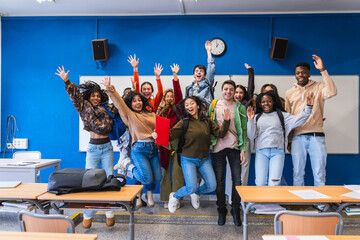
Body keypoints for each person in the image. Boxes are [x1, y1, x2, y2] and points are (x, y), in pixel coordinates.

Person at [55, 66, 116, 229]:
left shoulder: (108, 108)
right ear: (89, 96)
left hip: (107, 148)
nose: (95, 98)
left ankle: (110, 212)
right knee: (90, 181)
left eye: (98, 95)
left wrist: (111, 90)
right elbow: (74, 96)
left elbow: (121, 107)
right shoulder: (83, 107)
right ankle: (88, 215)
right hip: (93, 149)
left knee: (110, 179)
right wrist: (66, 81)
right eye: (93, 95)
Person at [102, 76, 162, 208]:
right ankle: (126, 164)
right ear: (130, 104)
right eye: (134, 101)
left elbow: (160, 129)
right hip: (139, 149)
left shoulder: (151, 114)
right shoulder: (129, 114)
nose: (138, 103)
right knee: (146, 178)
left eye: (140, 100)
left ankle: (146, 194)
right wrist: (110, 89)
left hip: (153, 148)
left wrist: (158, 134)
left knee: (157, 178)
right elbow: (119, 103)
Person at [165, 96, 231, 214]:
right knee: (190, 187)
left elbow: (220, 133)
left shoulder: (206, 121)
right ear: (185, 109)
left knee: (211, 186)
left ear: (198, 105)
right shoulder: (184, 122)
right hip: (188, 159)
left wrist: (226, 121)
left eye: (192, 103)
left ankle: (196, 193)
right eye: (187, 105)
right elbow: (170, 135)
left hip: (204, 159)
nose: (189, 106)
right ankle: (174, 196)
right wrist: (158, 134)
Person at [285, 54, 337, 186]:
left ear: (309, 74)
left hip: (316, 137)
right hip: (297, 137)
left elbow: (332, 92)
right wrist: (289, 140)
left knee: (319, 173)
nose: (300, 75)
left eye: (303, 72)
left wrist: (323, 70)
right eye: (298, 73)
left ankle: (320, 205)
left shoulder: (319, 87)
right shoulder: (289, 93)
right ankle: (300, 205)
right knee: (297, 173)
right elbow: (288, 118)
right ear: (295, 75)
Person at [247, 91, 314, 186]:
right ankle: (260, 201)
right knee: (260, 182)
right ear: (260, 104)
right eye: (263, 102)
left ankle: (273, 201)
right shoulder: (256, 117)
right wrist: (250, 120)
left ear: (273, 102)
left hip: (277, 152)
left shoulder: (282, 115)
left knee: (274, 183)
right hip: (261, 152)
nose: (266, 104)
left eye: (269, 101)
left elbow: (299, 119)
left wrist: (308, 107)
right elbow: (251, 135)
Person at [208, 80, 247, 226]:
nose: (228, 92)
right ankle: (221, 209)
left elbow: (243, 128)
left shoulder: (239, 107)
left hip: (234, 147)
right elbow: (208, 123)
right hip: (217, 147)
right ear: (222, 90)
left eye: (231, 89)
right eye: (226, 89)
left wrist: (243, 148)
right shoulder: (214, 105)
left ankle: (235, 210)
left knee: (237, 180)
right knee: (219, 180)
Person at [157, 64, 185, 209]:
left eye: (171, 96)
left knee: (177, 173)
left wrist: (175, 76)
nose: (169, 98)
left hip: (178, 142)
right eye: (167, 96)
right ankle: (166, 199)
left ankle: (176, 198)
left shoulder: (179, 108)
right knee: (165, 172)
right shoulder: (160, 111)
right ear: (164, 98)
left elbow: (179, 93)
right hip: (164, 144)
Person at [232, 63, 255, 188]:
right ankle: (230, 197)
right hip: (232, 140)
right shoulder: (230, 104)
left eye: (241, 92)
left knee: (244, 167)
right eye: (236, 92)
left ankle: (242, 196)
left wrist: (250, 71)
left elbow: (251, 88)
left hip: (245, 139)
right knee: (232, 169)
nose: (238, 95)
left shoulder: (246, 103)